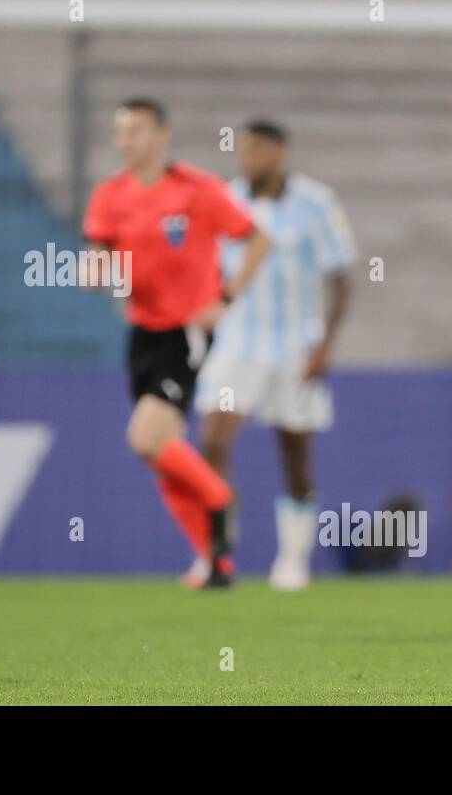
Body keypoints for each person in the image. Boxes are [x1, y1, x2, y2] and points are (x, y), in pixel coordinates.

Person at [83, 99, 270, 588]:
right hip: (142, 331)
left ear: (162, 135)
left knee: (145, 438)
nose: (127, 141)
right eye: (121, 132)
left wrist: (225, 297)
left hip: (185, 332)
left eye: (138, 131)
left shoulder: (197, 190)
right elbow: (97, 253)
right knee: (159, 454)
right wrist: (92, 269)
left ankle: (219, 500)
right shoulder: (110, 195)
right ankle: (213, 559)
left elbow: (258, 239)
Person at [194, 120, 355, 591]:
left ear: (280, 151)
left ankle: (292, 561)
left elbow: (341, 278)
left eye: (260, 150)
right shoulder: (225, 199)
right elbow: (207, 269)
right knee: (214, 442)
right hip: (238, 341)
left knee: (296, 453)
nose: (250, 159)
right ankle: (220, 551)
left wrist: (324, 343)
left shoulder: (316, 203)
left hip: (295, 344)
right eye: (244, 150)